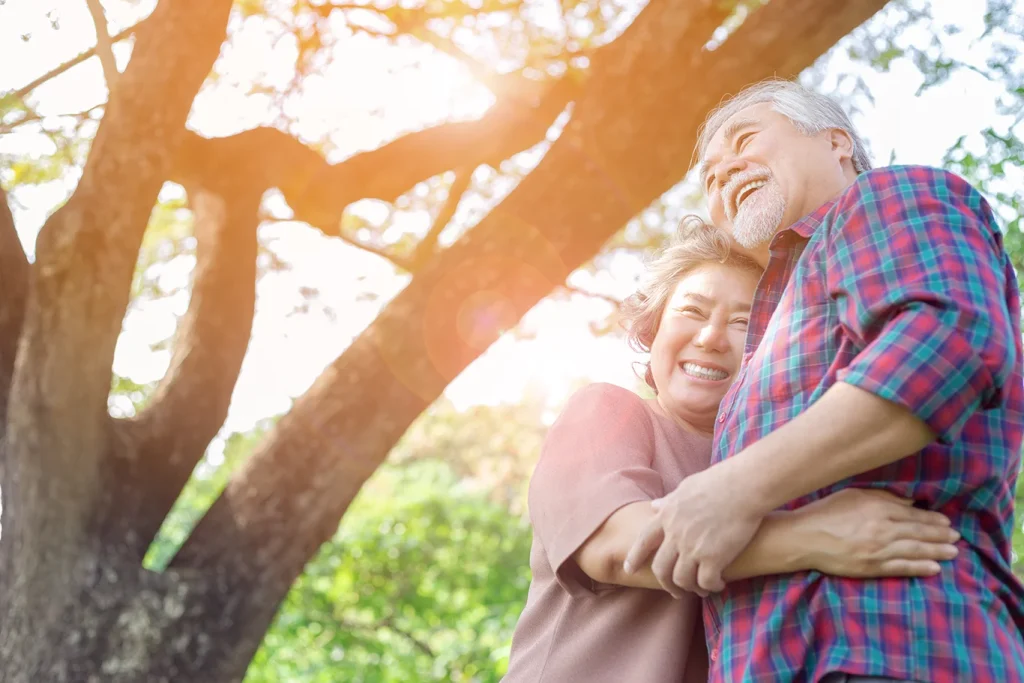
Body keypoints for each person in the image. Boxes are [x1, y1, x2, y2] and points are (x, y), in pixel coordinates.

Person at [625, 79, 1024, 682]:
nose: (724, 171)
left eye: (746, 139)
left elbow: (946, 341)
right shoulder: (765, 342)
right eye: (708, 176)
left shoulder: (887, 198)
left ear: (837, 143)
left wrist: (734, 489)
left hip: (896, 643)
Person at [502, 219, 960, 683]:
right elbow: (617, 546)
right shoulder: (608, 410)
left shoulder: (777, 468)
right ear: (653, 328)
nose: (711, 338)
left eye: (743, 323)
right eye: (692, 311)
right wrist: (815, 538)